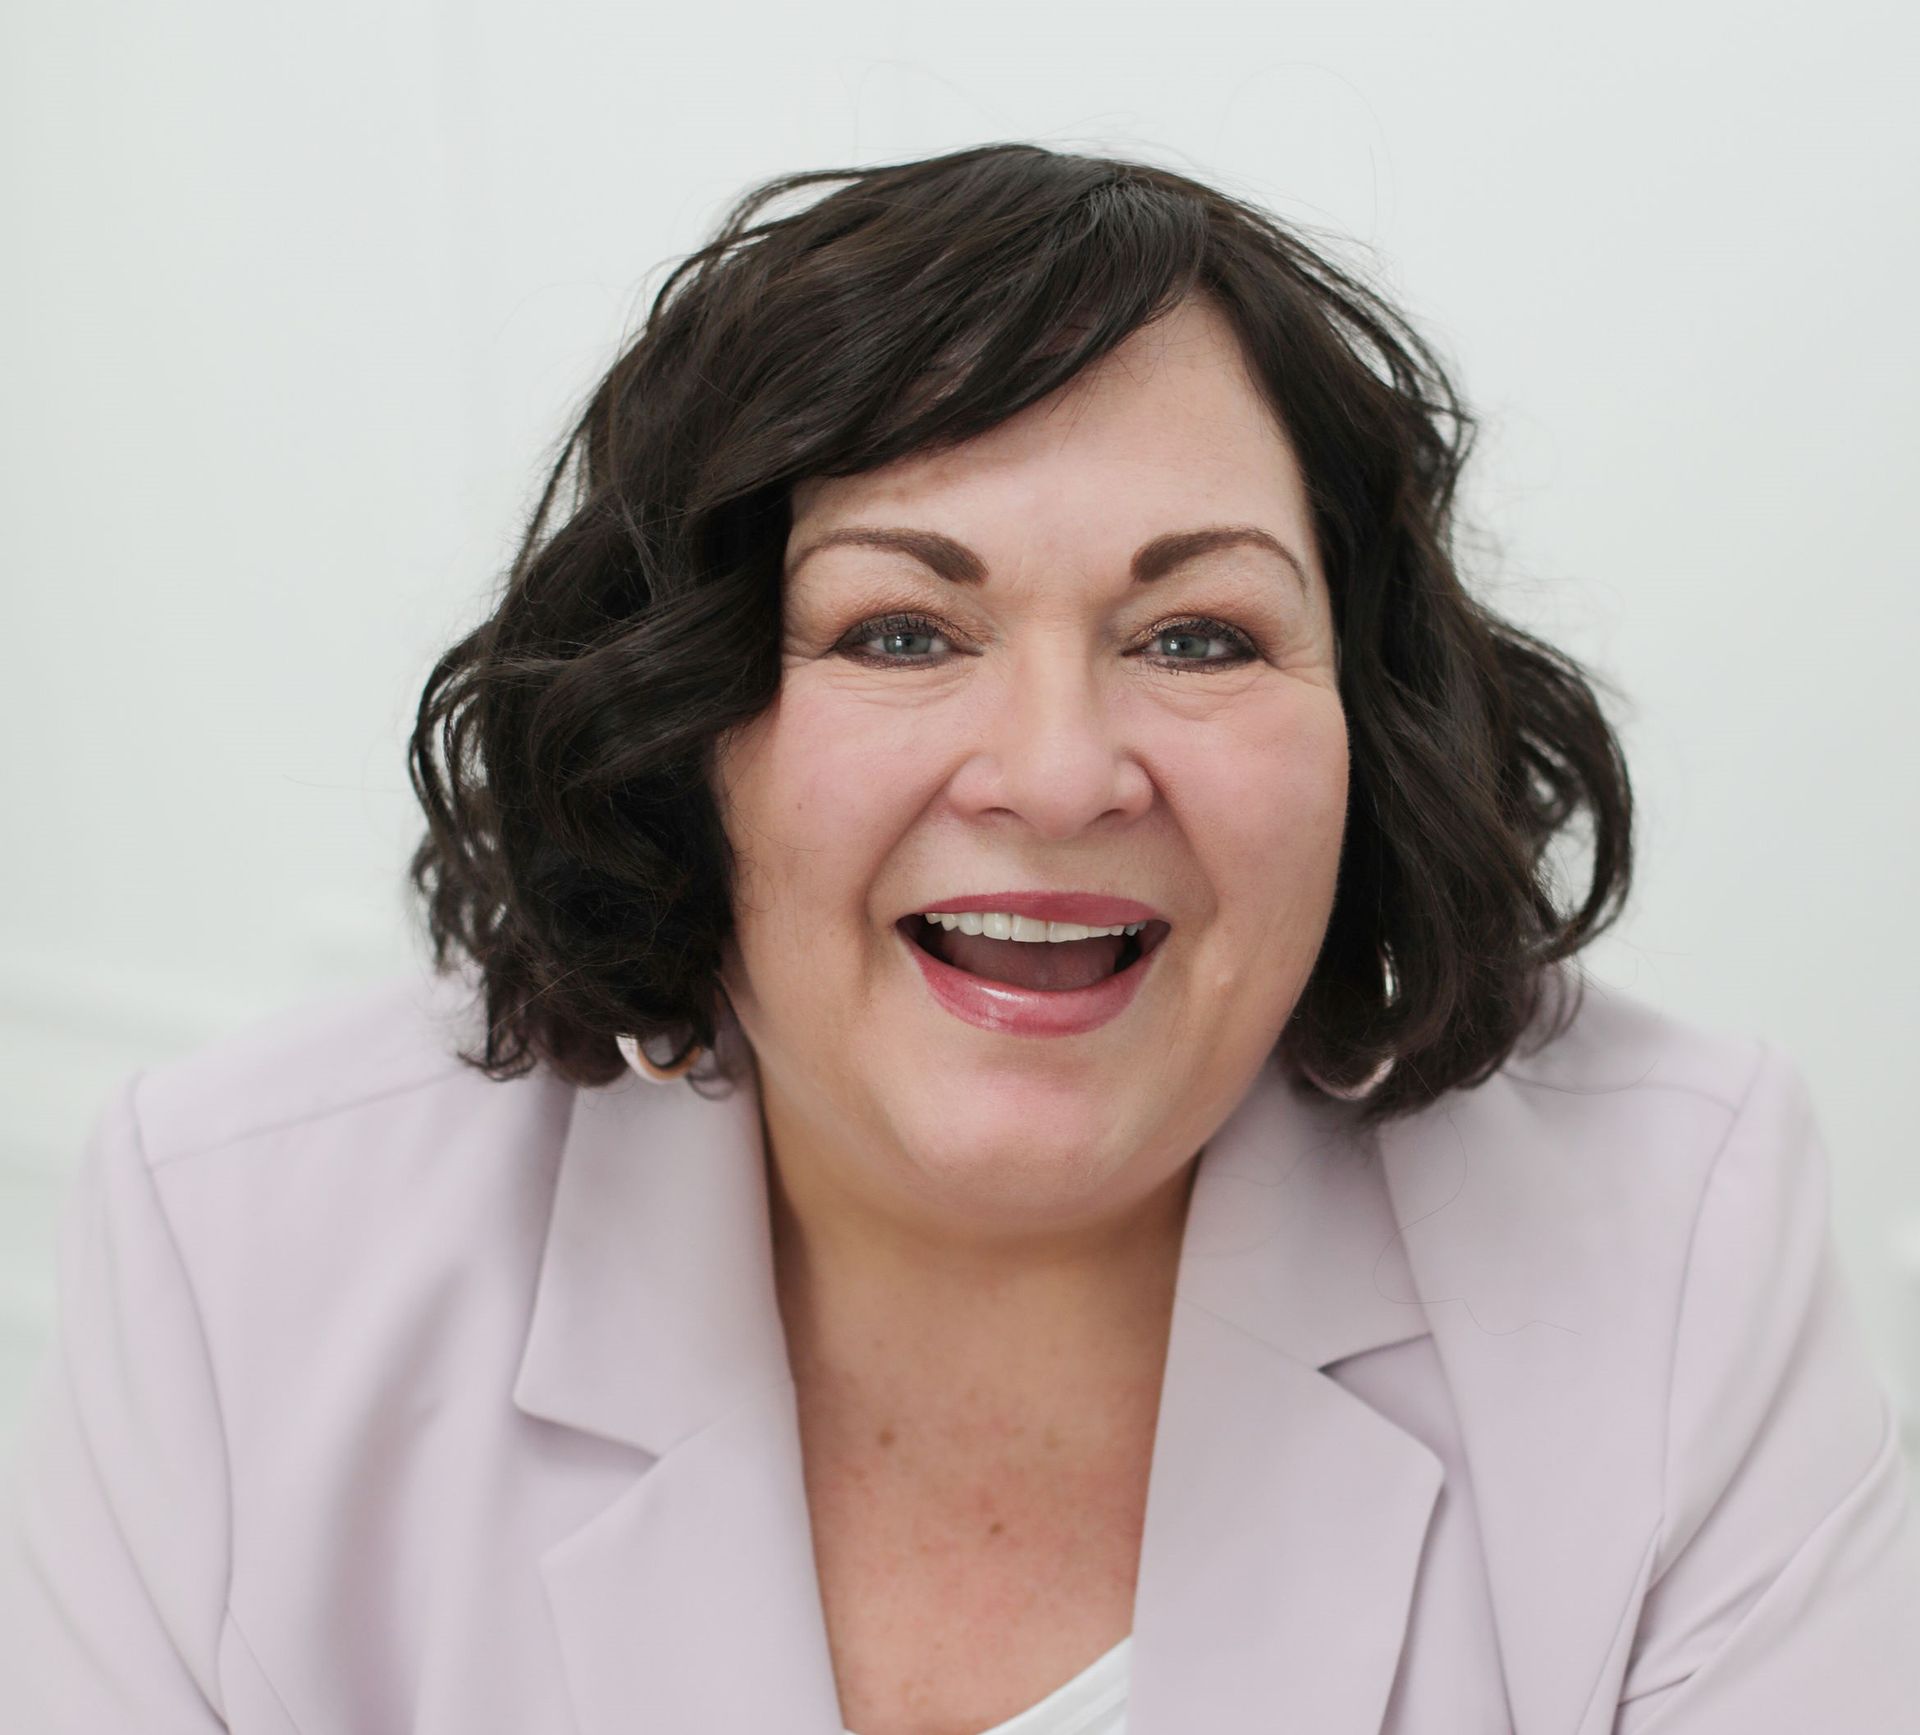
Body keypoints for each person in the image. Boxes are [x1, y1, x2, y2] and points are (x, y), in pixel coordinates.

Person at [3, 143, 1916, 1734]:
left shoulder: (1673, 1236)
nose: (1063, 772)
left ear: (1374, 737)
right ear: (686, 737)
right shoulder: (242, 1252)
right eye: (900, 633)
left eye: (1201, 637)